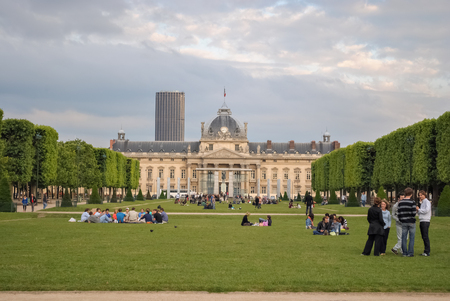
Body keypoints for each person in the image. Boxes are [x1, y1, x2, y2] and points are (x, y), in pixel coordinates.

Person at [398, 187, 416, 257]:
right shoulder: (412, 202)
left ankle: (404, 252)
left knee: (404, 237)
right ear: (411, 194)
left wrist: (401, 219)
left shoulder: (401, 202)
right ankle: (410, 252)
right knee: (412, 238)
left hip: (404, 221)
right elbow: (414, 213)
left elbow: (399, 213)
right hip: (411, 221)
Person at [417, 190, 431, 256]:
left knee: (425, 236)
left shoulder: (426, 202)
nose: (420, 196)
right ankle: (426, 250)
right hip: (422, 220)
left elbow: (426, 210)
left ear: (424, 195)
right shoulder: (422, 202)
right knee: (423, 236)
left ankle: (427, 251)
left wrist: (419, 210)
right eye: (419, 195)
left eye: (421, 195)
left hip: (425, 220)